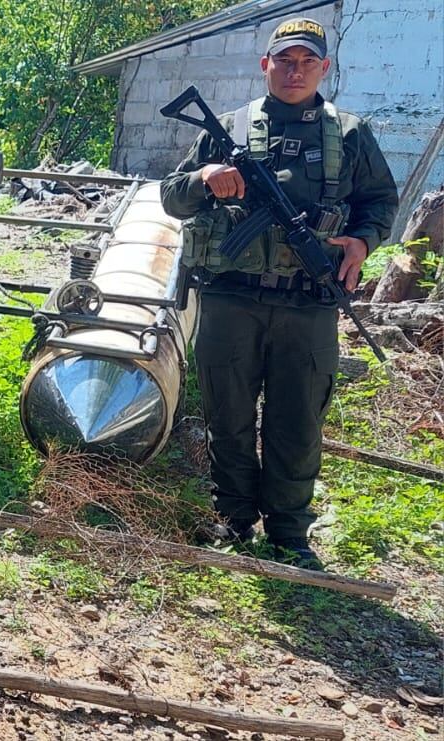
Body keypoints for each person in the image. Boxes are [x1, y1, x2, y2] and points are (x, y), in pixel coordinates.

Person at [160, 17, 398, 570]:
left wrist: (363, 242)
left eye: (306, 62)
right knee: (229, 414)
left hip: (309, 302)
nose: (295, 71)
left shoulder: (350, 133)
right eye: (284, 60)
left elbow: (380, 203)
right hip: (230, 299)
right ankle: (234, 519)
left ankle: (290, 535)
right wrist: (206, 178)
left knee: (299, 421)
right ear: (265, 64)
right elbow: (172, 197)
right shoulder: (230, 127)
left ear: (324, 68)